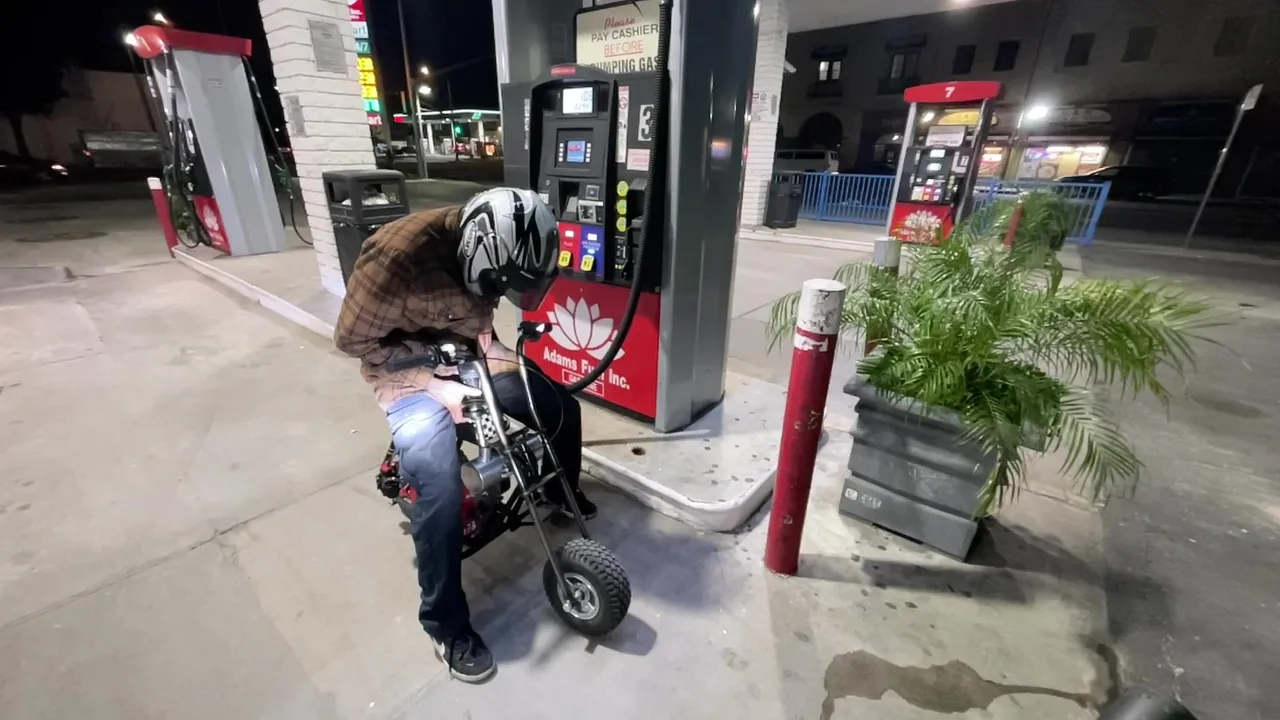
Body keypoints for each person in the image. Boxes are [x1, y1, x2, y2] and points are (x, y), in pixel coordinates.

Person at [334, 187, 595, 683]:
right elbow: (351, 340)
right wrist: (434, 385)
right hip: (402, 373)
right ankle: (445, 626)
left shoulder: (496, 253)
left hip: (469, 355)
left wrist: (499, 359)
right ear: (476, 251)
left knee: (558, 405)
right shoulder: (397, 258)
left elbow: (481, 322)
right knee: (439, 485)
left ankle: (560, 492)